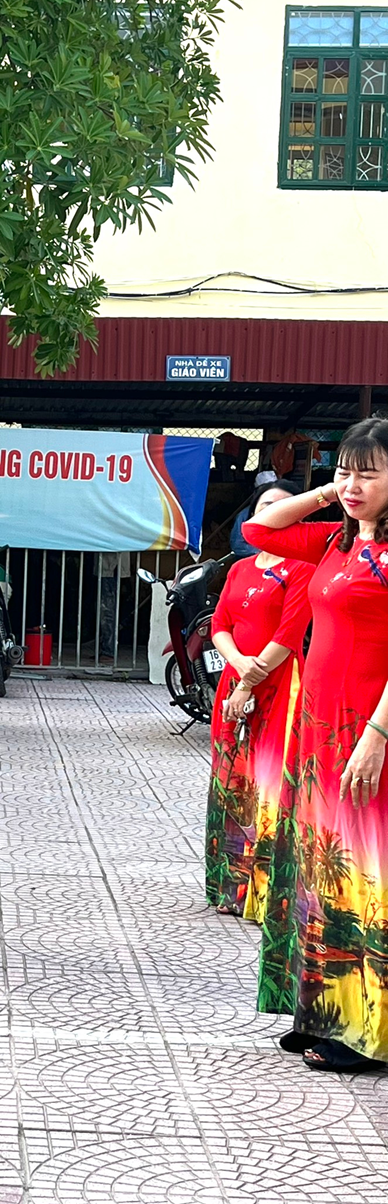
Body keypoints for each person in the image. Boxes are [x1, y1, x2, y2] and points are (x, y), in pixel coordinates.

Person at [244, 416, 388, 1071]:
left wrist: (378, 734)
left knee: (364, 871)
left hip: (366, 732)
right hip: (317, 733)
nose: (353, 484)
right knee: (320, 867)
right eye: (346, 470)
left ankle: (368, 1031)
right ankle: (324, 1012)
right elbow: (259, 530)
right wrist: (332, 492)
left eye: (368, 474)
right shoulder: (335, 541)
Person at [206, 482, 313, 920]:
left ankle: (264, 894)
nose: (275, 513)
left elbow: (289, 635)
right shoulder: (239, 568)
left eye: (285, 507)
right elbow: (219, 624)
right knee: (230, 777)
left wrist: (249, 682)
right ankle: (228, 886)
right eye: (266, 506)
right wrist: (237, 666)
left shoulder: (302, 567)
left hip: (279, 683)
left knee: (268, 783)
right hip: (234, 681)